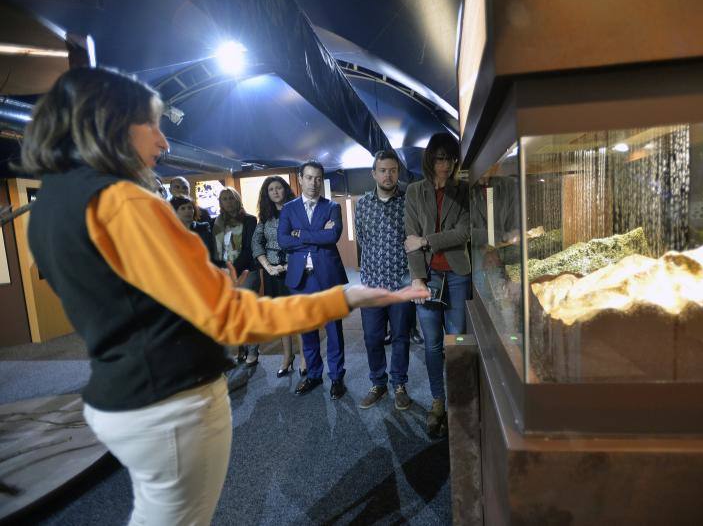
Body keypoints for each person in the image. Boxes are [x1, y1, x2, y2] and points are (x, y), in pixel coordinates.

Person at [21, 67, 425, 526]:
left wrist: (192, 284)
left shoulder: (51, 205)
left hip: (120, 397)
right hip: (170, 404)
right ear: (110, 123)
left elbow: (112, 296)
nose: (164, 142)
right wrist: (345, 298)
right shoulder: (127, 204)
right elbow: (232, 320)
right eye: (151, 125)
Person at [404, 132, 471, 438]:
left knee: (455, 341)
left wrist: (428, 240)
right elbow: (410, 239)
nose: (446, 165)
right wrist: (417, 278)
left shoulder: (463, 190)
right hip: (428, 276)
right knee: (432, 343)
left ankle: (458, 400)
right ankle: (438, 400)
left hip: (457, 275)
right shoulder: (415, 191)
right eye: (441, 158)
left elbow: (464, 232)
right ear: (431, 158)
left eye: (451, 158)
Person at [278, 161, 349, 400]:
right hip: (301, 278)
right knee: (307, 330)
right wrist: (317, 236)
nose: (313, 183)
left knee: (334, 331)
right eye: (309, 178)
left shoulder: (331, 207)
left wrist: (300, 234)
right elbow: (283, 240)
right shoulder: (288, 208)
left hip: (327, 276)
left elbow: (333, 235)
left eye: (318, 178)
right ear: (300, 179)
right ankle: (314, 375)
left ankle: (337, 378)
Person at [355, 149, 414, 410]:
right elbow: (362, 240)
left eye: (392, 170)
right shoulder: (363, 204)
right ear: (373, 174)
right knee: (371, 337)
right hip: (372, 285)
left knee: (401, 337)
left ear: (398, 172)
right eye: (382, 170)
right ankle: (377, 382)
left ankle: (399, 384)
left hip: (401, 284)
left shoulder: (408, 201)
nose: (388, 175)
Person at [252, 176, 307, 377]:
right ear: (267, 194)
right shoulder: (265, 217)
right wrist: (267, 267)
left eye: (279, 188)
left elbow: (304, 240)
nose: (275, 192)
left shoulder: (297, 212)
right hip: (273, 272)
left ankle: (303, 357)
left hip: (295, 267)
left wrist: (289, 264)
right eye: (271, 189)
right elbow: (256, 243)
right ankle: (287, 356)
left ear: (286, 190)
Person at [213, 186, 260, 366]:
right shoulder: (216, 222)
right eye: (224, 198)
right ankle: (241, 348)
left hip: (246, 271)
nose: (228, 201)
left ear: (237, 200)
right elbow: (216, 250)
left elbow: (249, 249)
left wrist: (233, 269)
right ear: (220, 203)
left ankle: (253, 350)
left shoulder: (249, 220)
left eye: (231, 198)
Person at [170, 194, 215, 259]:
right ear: (175, 212)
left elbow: (210, 252)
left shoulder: (203, 227)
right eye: (183, 208)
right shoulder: (170, 230)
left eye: (190, 208)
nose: (187, 211)